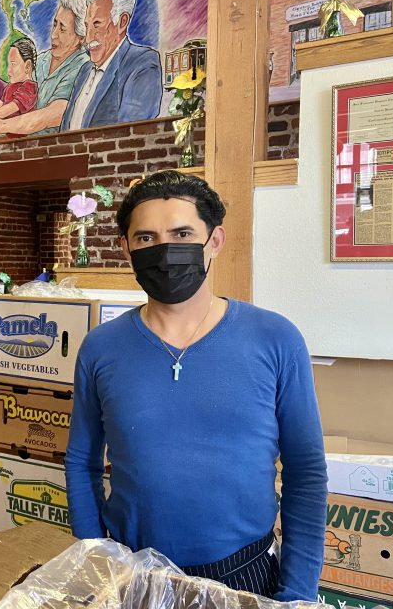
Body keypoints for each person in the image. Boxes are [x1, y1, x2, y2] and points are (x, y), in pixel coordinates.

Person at [64, 170, 328, 601]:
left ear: (215, 241)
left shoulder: (276, 339)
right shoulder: (100, 348)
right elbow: (81, 461)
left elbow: (306, 471)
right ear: (126, 249)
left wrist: (297, 592)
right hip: (131, 574)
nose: (165, 250)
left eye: (182, 234)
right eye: (146, 237)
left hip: (244, 574)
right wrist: (95, 561)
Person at [0, 0, 93, 136]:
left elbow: (49, 116)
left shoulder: (83, 68)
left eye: (62, 29)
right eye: (54, 24)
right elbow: (14, 94)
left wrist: (1, 125)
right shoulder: (41, 59)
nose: (53, 35)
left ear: (81, 37)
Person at [61, 0, 162, 131]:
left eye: (97, 24)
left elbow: (132, 133)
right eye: (87, 26)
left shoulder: (143, 64)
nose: (88, 37)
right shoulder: (84, 71)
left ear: (122, 22)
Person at [0, 37, 38, 138]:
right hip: (1, 134)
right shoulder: (10, 86)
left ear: (27, 66)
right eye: (9, 64)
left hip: (18, 139)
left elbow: (8, 109)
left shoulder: (29, 88)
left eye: (13, 64)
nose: (8, 70)